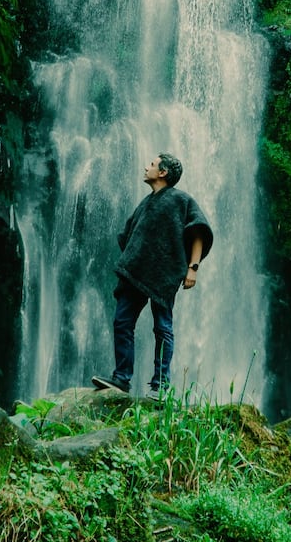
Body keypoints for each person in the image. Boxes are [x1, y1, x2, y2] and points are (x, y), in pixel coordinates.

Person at [92, 153, 213, 399]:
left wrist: (193, 267)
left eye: (151, 164)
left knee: (163, 329)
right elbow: (130, 236)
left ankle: (161, 385)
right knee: (122, 323)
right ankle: (121, 378)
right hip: (136, 272)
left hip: (164, 275)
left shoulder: (181, 200)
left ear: (163, 172)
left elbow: (198, 229)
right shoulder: (145, 203)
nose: (145, 167)